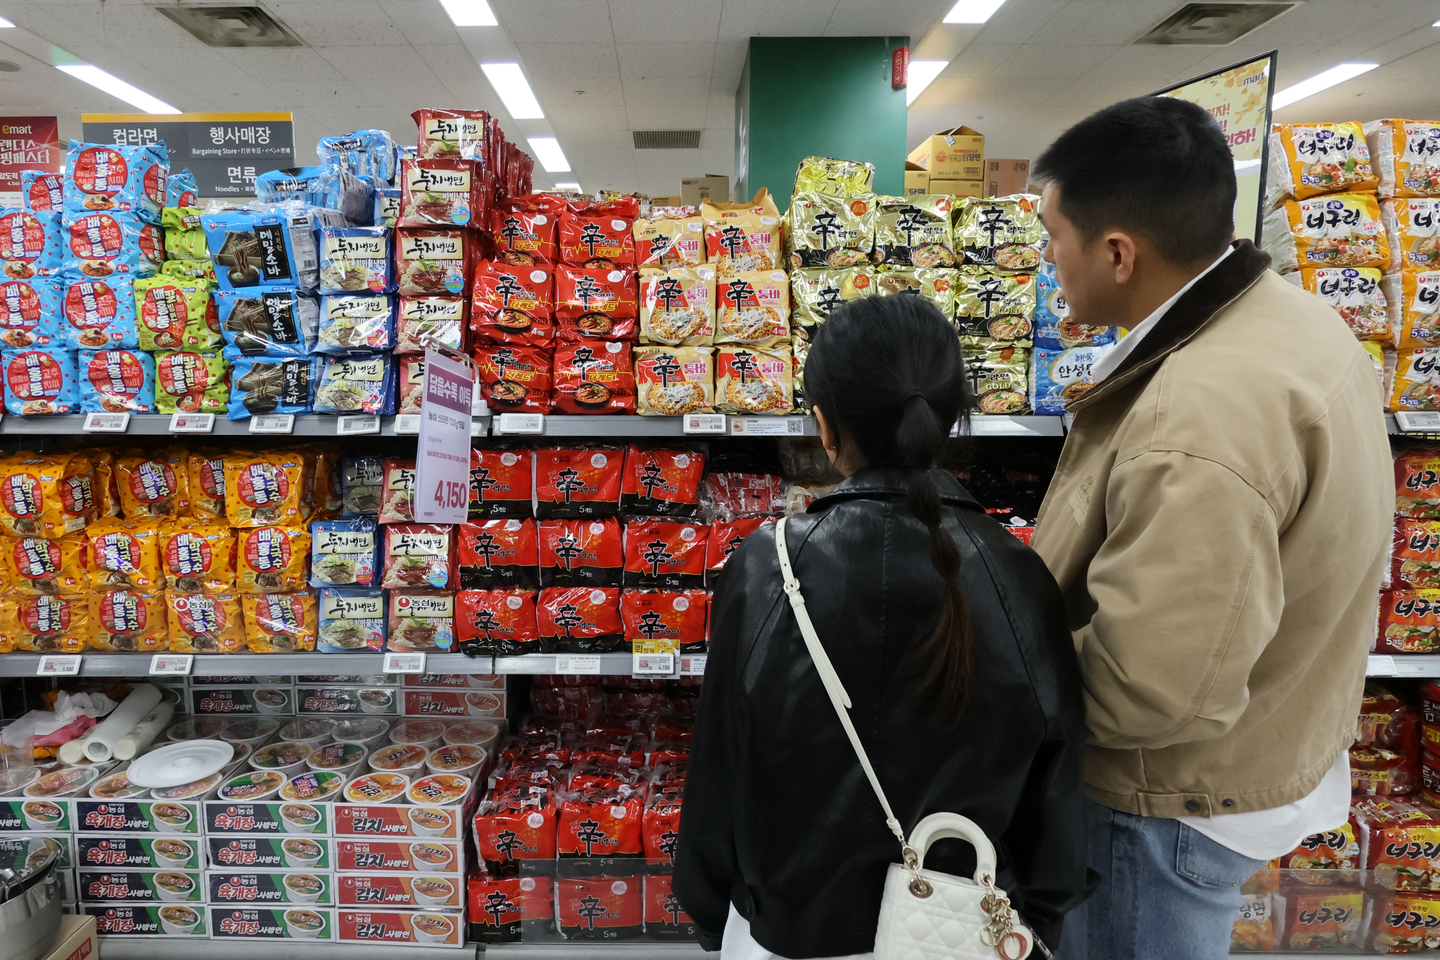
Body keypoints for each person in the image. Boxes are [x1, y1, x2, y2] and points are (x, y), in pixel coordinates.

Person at [1029, 96, 1393, 960]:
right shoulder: (1293, 321)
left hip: (1161, 808)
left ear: (1118, 252)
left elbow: (1152, 686)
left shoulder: (1199, 417)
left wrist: (991, 674)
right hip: (1253, 748)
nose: (1045, 258)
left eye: (1051, 234)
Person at [673, 293, 1092, 959]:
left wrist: (704, 903)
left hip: (790, 931)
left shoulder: (768, 564)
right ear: (953, 417)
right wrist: (1040, 910)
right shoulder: (1019, 575)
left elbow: (721, 761)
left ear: (825, 428)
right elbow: (1059, 780)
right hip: (956, 932)